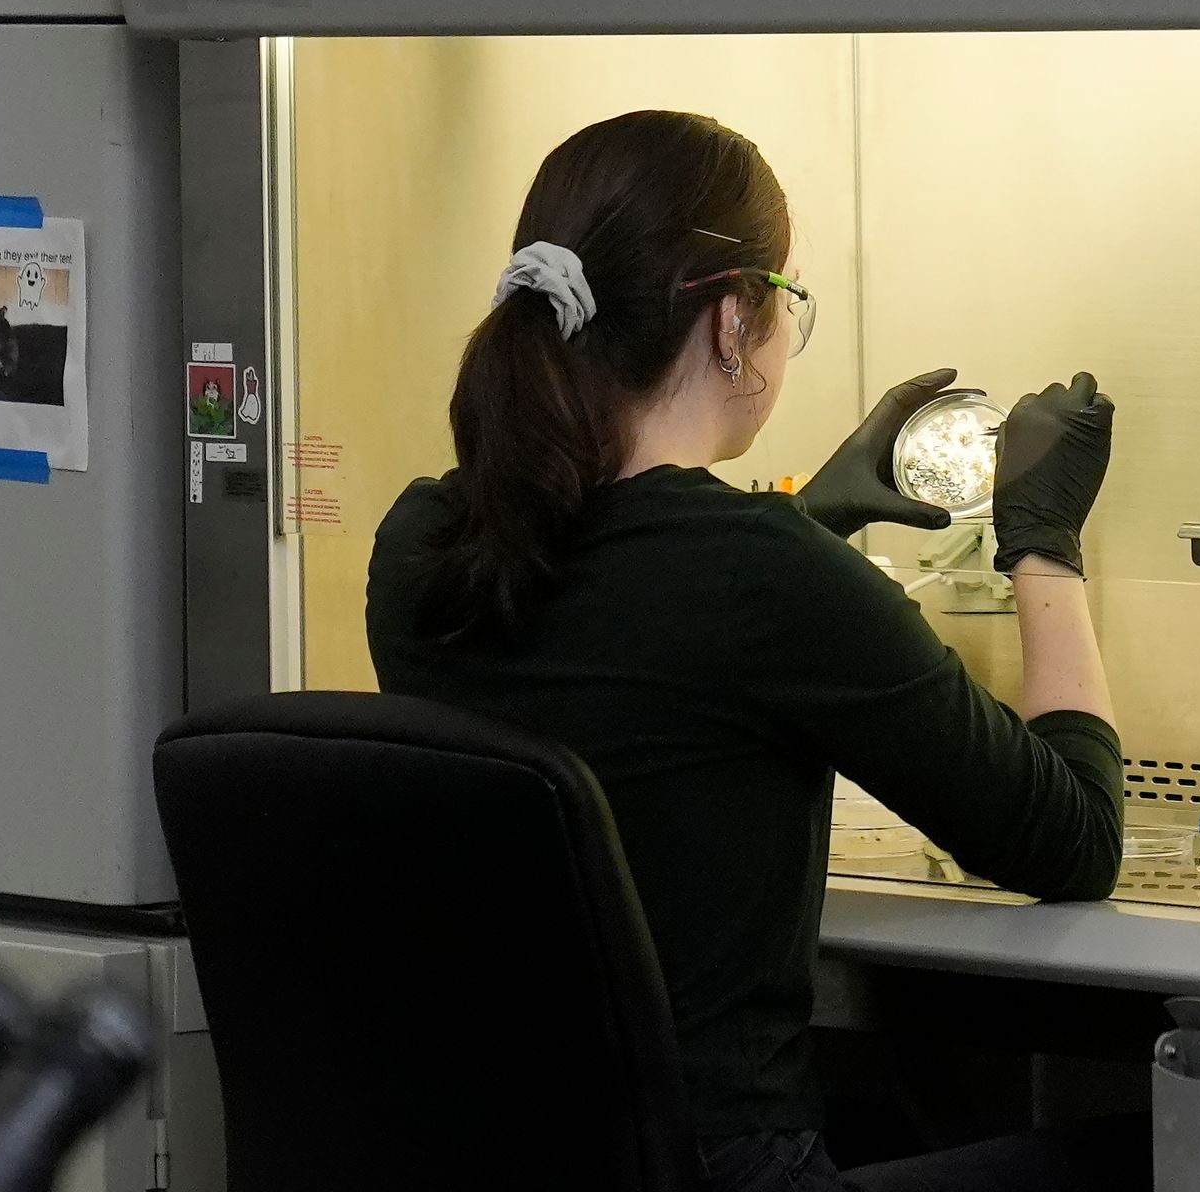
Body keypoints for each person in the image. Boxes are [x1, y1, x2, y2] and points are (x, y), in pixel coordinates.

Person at [364, 110, 1132, 1192]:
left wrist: (804, 521)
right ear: (733, 323)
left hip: (500, 1163)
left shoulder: (421, 544)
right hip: (729, 1168)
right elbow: (1075, 836)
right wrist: (1043, 547)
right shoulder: (757, 577)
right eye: (788, 301)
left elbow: (637, 624)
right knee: (1148, 1153)